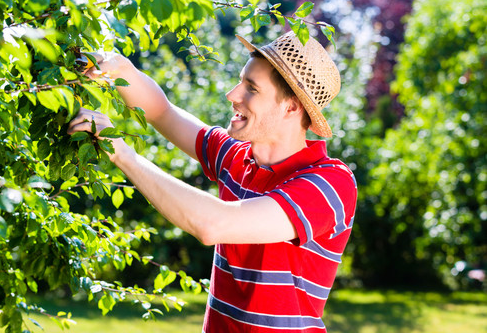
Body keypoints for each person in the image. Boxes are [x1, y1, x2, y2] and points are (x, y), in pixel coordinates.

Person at [68, 31, 357, 333]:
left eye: (251, 88)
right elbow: (161, 111)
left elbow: (213, 225)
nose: (233, 95)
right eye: (240, 81)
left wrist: (122, 153)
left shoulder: (329, 183)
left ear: (292, 107)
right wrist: (119, 69)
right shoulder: (235, 156)